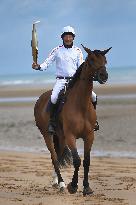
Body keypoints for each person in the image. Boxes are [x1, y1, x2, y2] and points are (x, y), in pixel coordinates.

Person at [32, 25, 99, 134]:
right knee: (53, 98)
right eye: (66, 36)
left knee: (94, 96)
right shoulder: (57, 50)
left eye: (70, 36)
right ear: (62, 37)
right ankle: (52, 122)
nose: (68, 39)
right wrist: (38, 66)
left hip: (75, 81)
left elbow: (81, 67)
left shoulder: (78, 51)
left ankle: (93, 120)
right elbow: (47, 63)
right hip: (61, 80)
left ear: (73, 37)